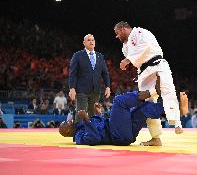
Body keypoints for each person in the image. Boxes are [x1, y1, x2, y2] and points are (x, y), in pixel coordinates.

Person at [113, 21, 183, 145]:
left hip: (157, 65)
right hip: (144, 72)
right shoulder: (125, 45)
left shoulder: (140, 32)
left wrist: (128, 59)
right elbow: (134, 58)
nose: (116, 36)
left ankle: (177, 122)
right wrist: (128, 58)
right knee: (147, 103)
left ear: (123, 29)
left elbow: (144, 47)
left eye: (117, 33)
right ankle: (156, 138)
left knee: (167, 91)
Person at [59, 89, 189, 146]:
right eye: (66, 123)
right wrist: (87, 119)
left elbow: (102, 125)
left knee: (143, 109)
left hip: (124, 133)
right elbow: (95, 138)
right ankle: (150, 92)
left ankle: (176, 112)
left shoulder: (81, 126)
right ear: (67, 132)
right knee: (119, 101)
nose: (69, 121)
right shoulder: (79, 137)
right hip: (118, 136)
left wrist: (99, 113)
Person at [69, 34, 111, 118]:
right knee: (81, 113)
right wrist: (72, 88)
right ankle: (80, 131)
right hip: (82, 90)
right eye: (89, 40)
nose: (91, 41)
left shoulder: (100, 56)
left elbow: (105, 73)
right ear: (84, 43)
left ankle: (92, 131)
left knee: (94, 115)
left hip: (95, 90)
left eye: (93, 40)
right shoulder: (78, 55)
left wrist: (108, 86)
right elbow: (73, 73)